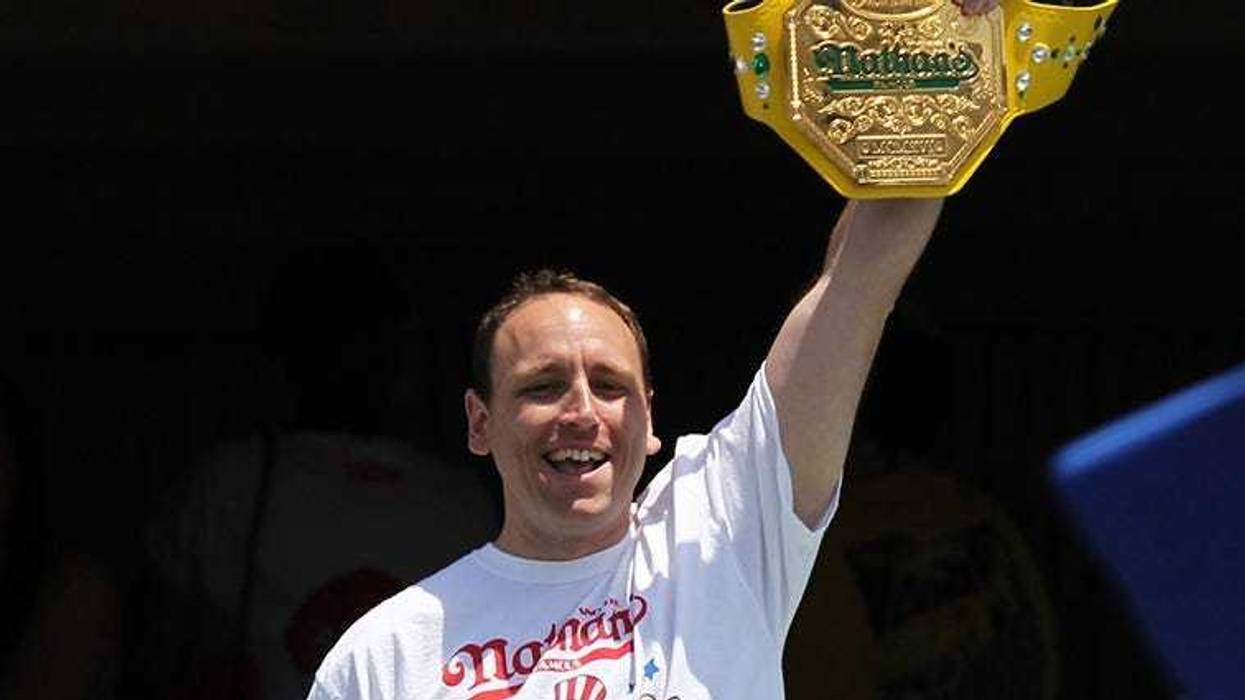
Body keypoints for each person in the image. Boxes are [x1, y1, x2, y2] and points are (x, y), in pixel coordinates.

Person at [307, 192, 946, 700]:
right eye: (544, 386)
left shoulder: (720, 536)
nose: (582, 412)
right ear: (480, 423)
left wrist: (944, 57)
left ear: (649, 418)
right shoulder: (386, 654)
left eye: (610, 386)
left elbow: (856, 287)